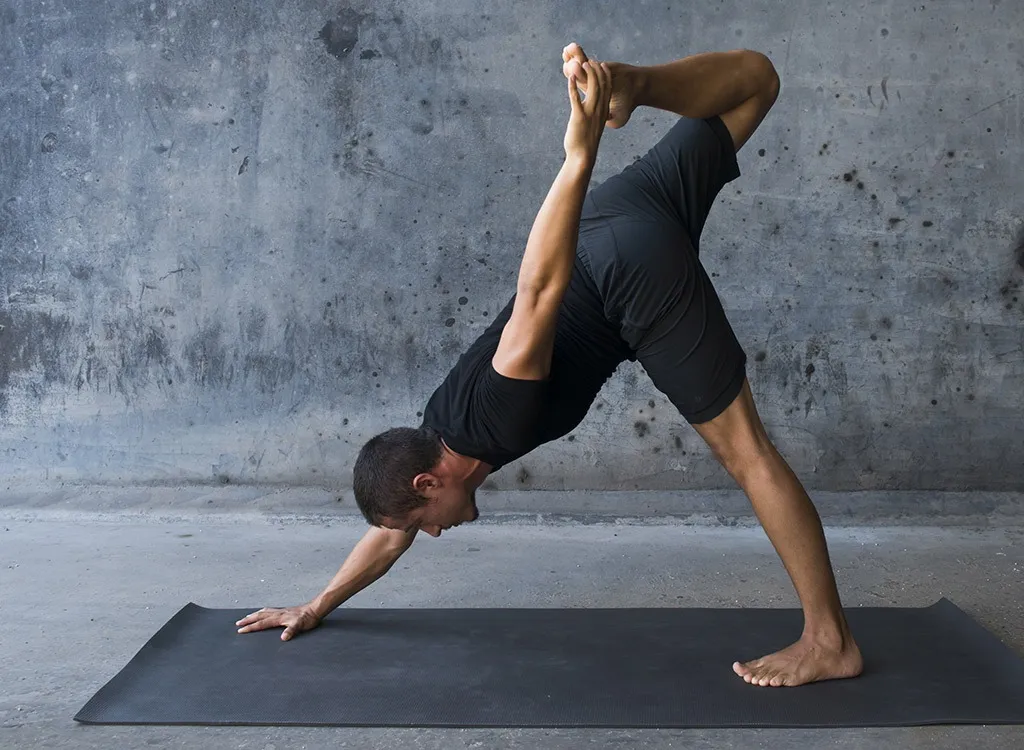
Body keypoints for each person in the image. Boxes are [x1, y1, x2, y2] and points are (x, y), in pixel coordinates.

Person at [237, 43, 864, 689]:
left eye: (421, 523)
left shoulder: (493, 420)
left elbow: (538, 290)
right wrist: (317, 605)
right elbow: (389, 535)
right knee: (756, 81)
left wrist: (579, 155)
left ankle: (830, 641)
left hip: (627, 274)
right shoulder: (435, 434)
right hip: (620, 215)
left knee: (748, 454)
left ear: (430, 484)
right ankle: (634, 83)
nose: (428, 535)